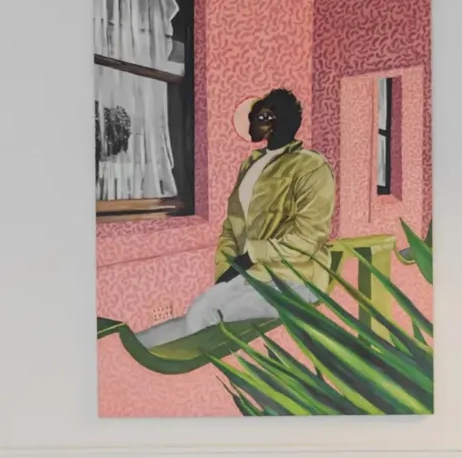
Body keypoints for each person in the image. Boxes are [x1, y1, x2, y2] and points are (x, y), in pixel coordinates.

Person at [135, 88, 335, 349]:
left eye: (258, 116)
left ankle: (197, 374)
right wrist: (225, 268)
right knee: (198, 310)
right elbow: (232, 224)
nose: (250, 122)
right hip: (251, 274)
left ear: (274, 121)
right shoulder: (251, 164)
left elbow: (308, 238)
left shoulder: (311, 166)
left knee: (203, 314)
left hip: (296, 278)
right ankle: (138, 349)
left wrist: (252, 254)